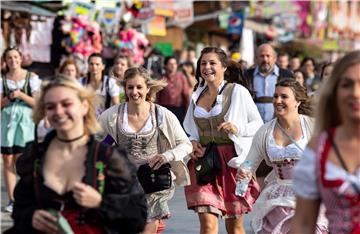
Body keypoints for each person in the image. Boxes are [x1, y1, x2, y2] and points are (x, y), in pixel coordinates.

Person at [5, 75, 147, 234]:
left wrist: (100, 202)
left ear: (84, 106)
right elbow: (20, 210)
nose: (58, 112)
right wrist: (31, 216)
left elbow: (138, 217)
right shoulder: (35, 157)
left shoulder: (107, 158)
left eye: (66, 104)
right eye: (50, 107)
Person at [98, 67, 193, 234]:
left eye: (139, 87)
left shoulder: (162, 115)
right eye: (130, 87)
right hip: (124, 181)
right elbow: (92, 142)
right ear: (125, 89)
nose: (135, 92)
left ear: (148, 88)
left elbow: (186, 144)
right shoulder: (112, 115)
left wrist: (166, 155)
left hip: (153, 180)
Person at [183, 47, 263, 234]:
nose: (207, 67)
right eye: (203, 63)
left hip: (234, 163)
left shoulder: (237, 92)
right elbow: (188, 128)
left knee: (235, 227)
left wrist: (237, 128)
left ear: (224, 67)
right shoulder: (196, 94)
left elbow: (258, 124)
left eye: (212, 63)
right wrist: (192, 142)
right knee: (208, 225)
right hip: (205, 163)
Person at [237, 78, 328, 233]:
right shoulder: (265, 132)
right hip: (277, 198)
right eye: (275, 96)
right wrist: (243, 174)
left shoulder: (313, 126)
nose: (278, 101)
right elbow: (249, 162)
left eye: (284, 96)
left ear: (297, 102)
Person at [291, 50, 360, 233]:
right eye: (347, 84)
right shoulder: (319, 148)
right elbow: (304, 223)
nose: (355, 93)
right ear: (335, 92)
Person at [246, 43, 294, 188]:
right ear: (256, 58)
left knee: (278, 166)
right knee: (256, 165)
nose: (265, 59)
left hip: (280, 129)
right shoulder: (247, 75)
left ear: (275, 58)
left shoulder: (286, 75)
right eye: (262, 56)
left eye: (268, 56)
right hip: (253, 131)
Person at [1, 46, 42, 213]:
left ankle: (25, 196)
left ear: (21, 58)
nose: (13, 61)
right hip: (7, 122)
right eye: (9, 58)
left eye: (15, 57)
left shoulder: (31, 77)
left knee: (22, 159)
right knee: (7, 158)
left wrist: (20, 95)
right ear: (6, 60)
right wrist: (8, 98)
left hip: (25, 123)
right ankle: (12, 199)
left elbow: (37, 103)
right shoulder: (2, 80)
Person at [79, 53, 120, 117]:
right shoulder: (81, 81)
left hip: (104, 119)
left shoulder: (110, 82)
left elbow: (116, 105)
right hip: (86, 118)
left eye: (97, 64)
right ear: (88, 65)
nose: (94, 67)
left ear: (103, 66)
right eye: (91, 64)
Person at [157, 56, 190, 124]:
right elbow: (157, 97)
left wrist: (187, 111)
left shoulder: (181, 77)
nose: (173, 66)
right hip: (165, 110)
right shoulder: (161, 78)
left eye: (174, 64)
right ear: (165, 65)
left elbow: (186, 95)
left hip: (179, 110)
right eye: (170, 64)